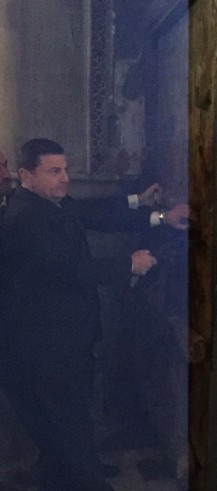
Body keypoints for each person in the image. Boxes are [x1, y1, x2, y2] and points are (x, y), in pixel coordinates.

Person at [0, 138, 188, 490]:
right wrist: (129, 264)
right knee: (66, 419)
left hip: (64, 338)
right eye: (54, 171)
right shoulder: (25, 216)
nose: (65, 177)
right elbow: (70, 269)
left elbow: (90, 212)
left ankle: (61, 472)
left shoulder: (45, 203)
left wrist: (152, 209)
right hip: (47, 344)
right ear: (27, 175)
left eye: (66, 169)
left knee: (67, 419)